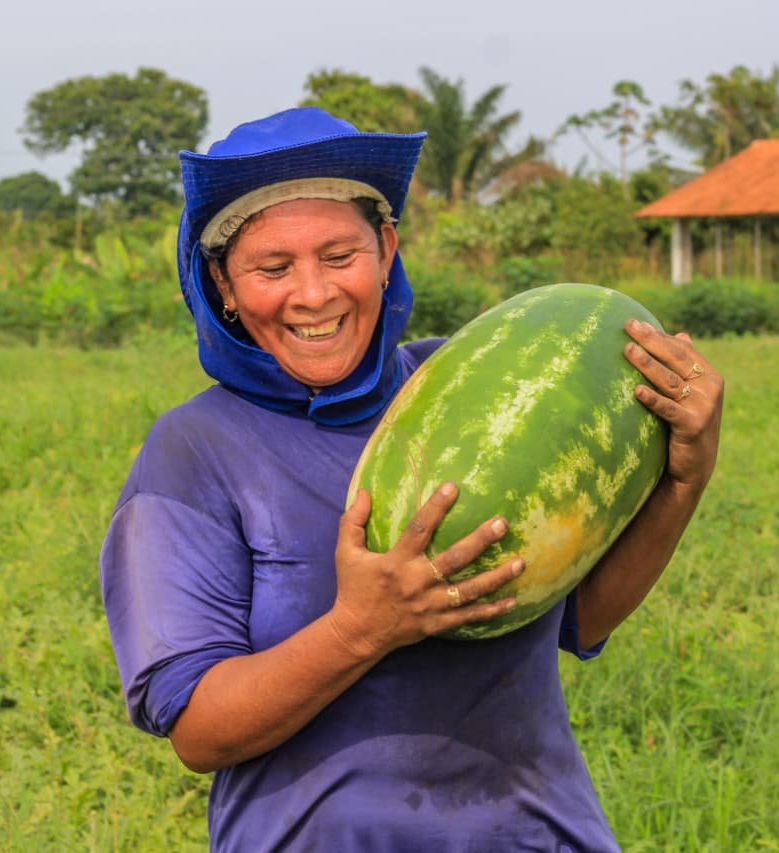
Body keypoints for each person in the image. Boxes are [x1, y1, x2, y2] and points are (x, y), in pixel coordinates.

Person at [100, 106, 724, 852]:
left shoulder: (473, 387)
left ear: (387, 248)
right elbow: (198, 730)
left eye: (340, 255)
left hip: (538, 833)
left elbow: (578, 616)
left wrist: (684, 478)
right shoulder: (194, 449)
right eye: (272, 268)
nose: (313, 294)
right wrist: (361, 629)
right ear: (222, 286)